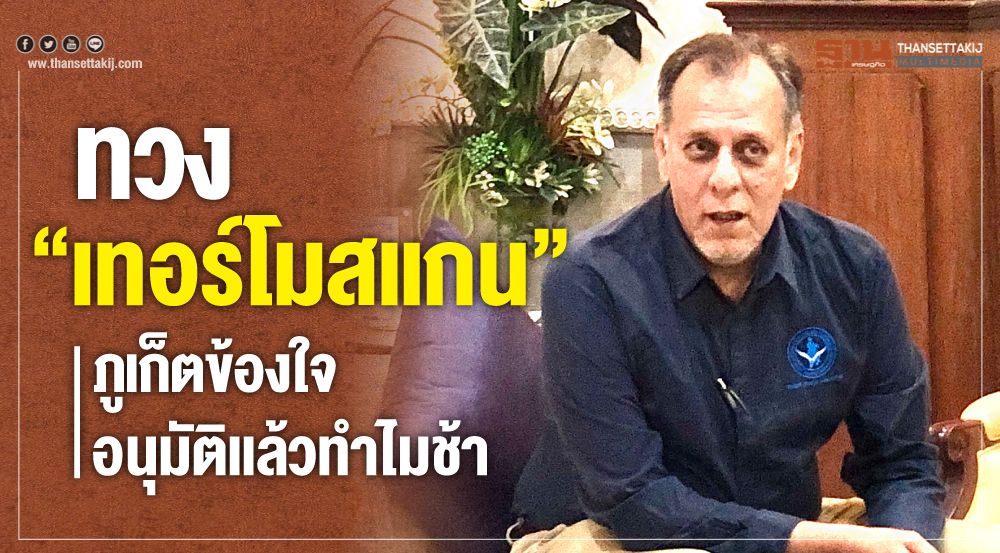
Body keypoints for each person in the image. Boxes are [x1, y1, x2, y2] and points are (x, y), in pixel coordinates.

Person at [509, 33, 944, 553]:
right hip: (607, 531)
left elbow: (902, 464)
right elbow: (630, 498)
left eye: (750, 150)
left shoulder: (855, 267)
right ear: (663, 151)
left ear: (792, 156)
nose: (724, 179)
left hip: (786, 528)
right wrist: (801, 541)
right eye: (700, 149)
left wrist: (908, 543)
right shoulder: (588, 280)